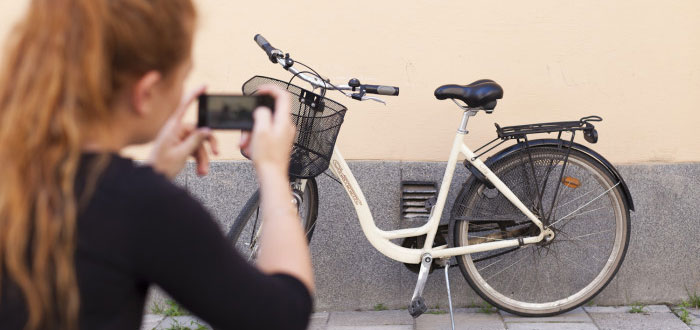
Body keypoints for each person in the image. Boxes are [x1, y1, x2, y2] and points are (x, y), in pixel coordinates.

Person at [0, 1, 314, 329]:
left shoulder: (18, 177)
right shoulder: (142, 205)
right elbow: (282, 316)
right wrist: (274, 170)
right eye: (182, 77)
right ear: (146, 92)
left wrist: (155, 170)